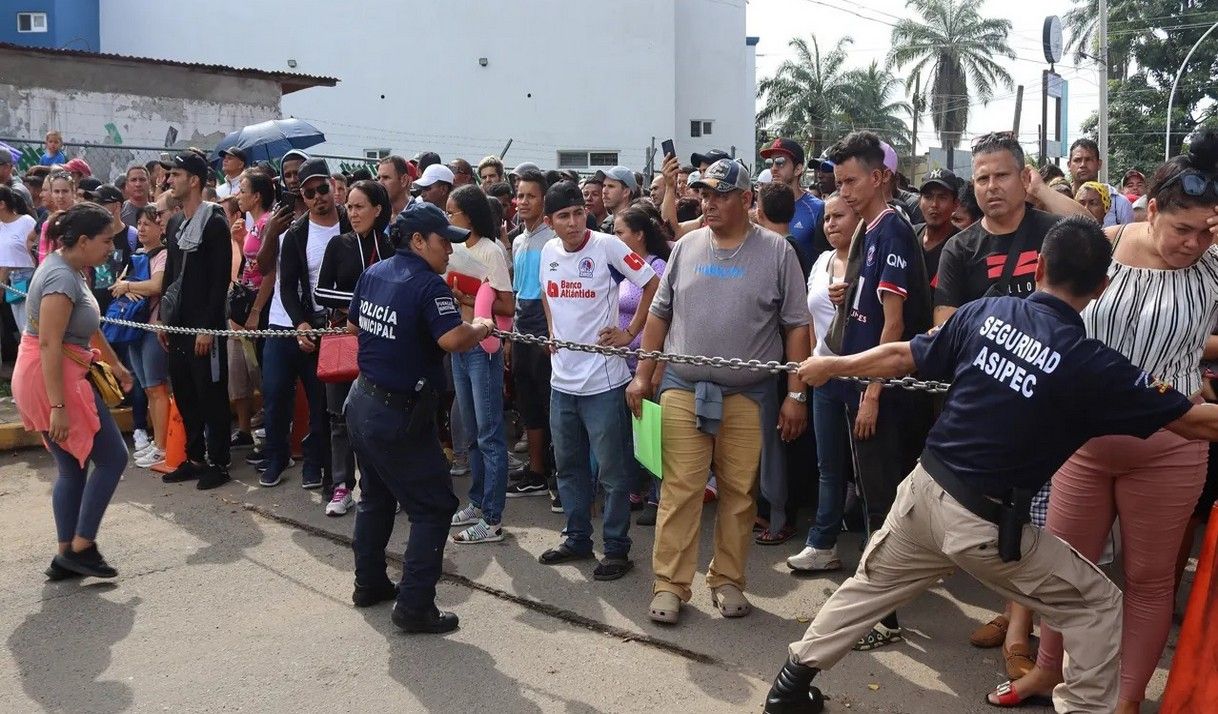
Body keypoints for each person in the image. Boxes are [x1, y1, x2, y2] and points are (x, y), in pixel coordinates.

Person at [762, 216, 1218, 714]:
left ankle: (788, 687)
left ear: (1039, 266)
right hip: (981, 522)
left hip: (922, 492)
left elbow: (901, 356)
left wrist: (832, 365)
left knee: (870, 588)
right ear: (1102, 288)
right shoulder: (1093, 365)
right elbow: (1196, 424)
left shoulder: (987, 311)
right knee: (1098, 603)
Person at [1009, 131, 1218, 713]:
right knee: (1063, 572)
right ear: (1151, 211)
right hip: (1083, 444)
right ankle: (1050, 670)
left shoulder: (1214, 266)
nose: (1193, 243)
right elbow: (1069, 230)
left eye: (1207, 230)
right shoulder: (1100, 248)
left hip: (1171, 448)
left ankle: (1126, 700)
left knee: (1148, 582)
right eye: (1182, 229)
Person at [628, 158, 809, 624]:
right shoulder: (686, 246)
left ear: (747, 199)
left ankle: (728, 580)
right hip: (683, 386)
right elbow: (659, 316)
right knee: (680, 489)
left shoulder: (777, 252)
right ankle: (670, 585)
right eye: (704, 194)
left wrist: (796, 393)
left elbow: (796, 326)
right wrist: (643, 375)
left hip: (749, 394)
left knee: (739, 492)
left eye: (720, 194)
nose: (708, 202)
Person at [934, 133, 1089, 671]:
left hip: (1052, 404)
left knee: (1040, 520)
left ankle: (1019, 631)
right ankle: (1013, 610)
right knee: (1000, 520)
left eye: (1002, 175)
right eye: (981, 178)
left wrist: (1045, 191)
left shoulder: (1052, 233)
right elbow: (943, 324)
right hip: (989, 406)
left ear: (1024, 178)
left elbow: (1092, 232)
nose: (991, 187)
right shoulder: (961, 248)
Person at [345, 201, 495, 634]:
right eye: (442, 241)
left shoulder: (375, 272)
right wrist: (482, 326)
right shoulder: (428, 285)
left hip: (365, 403)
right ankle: (414, 607)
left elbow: (355, 326)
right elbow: (452, 339)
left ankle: (369, 583)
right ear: (417, 241)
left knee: (376, 496)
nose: (449, 249)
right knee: (433, 506)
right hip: (399, 413)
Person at [826, 131, 933, 650]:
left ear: (879, 176)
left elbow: (894, 326)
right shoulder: (869, 231)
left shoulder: (891, 232)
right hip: (859, 387)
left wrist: (872, 393)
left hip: (882, 395)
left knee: (880, 504)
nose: (843, 191)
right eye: (839, 181)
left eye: (852, 180)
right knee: (877, 499)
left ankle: (885, 616)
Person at [536, 181, 658, 581]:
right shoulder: (549, 251)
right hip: (562, 382)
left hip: (604, 382)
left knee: (613, 472)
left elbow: (653, 285)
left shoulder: (607, 246)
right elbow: (546, 295)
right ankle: (577, 539)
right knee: (569, 467)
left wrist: (630, 333)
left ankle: (618, 548)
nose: (574, 223)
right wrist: (553, 330)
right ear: (549, 221)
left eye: (577, 213)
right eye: (563, 217)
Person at [13, 203, 134, 580]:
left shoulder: (71, 268)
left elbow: (83, 326)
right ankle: (82, 546)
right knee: (113, 458)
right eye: (105, 241)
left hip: (55, 372)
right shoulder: (62, 279)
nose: (111, 248)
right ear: (82, 241)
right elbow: (49, 343)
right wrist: (58, 406)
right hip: (54, 378)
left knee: (72, 467)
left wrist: (113, 363)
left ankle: (66, 552)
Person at [259, 158, 348, 489]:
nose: (317, 197)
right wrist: (300, 324)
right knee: (275, 396)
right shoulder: (295, 231)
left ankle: (319, 467)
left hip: (338, 329)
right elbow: (285, 283)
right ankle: (276, 458)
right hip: (294, 326)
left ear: (333, 187)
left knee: (323, 406)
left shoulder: (349, 224)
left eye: (322, 189)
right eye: (309, 193)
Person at [786, 192, 859, 574]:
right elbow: (809, 316)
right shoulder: (820, 261)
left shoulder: (871, 261)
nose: (830, 224)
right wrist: (813, 361)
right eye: (826, 218)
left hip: (863, 379)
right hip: (823, 376)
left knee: (869, 472)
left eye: (839, 216)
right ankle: (823, 542)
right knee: (828, 466)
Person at [314, 179, 394, 517]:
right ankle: (342, 486)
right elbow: (321, 293)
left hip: (382, 341)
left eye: (360, 206)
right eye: (349, 206)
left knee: (381, 416)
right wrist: (364, 301)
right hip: (343, 340)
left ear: (377, 210)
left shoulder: (391, 246)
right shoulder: (338, 245)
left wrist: (364, 305)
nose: (353, 212)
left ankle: (385, 486)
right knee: (339, 417)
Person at [443, 184, 515, 543]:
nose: (447, 218)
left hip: (483, 347)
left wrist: (467, 296)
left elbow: (507, 305)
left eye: (451, 212)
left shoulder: (492, 252)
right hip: (459, 343)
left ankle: (493, 517)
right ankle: (476, 500)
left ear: (468, 216)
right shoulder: (452, 246)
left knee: (489, 435)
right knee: (471, 432)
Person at [157, 151, 232, 490]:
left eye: (175, 174)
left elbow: (219, 282)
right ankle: (195, 457)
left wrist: (207, 327)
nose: (169, 180)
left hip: (205, 329)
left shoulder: (215, 222)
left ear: (194, 180)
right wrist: (163, 317)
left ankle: (219, 462)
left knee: (211, 394)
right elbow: (170, 274)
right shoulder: (174, 222)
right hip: (177, 326)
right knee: (185, 393)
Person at [612, 204, 671, 525]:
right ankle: (635, 488)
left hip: (648, 362)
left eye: (620, 232)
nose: (615, 238)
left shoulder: (657, 267)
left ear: (639, 235)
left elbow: (662, 316)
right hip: (622, 363)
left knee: (651, 430)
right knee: (630, 431)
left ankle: (656, 495)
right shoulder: (620, 268)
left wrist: (656, 364)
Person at [504, 169, 557, 499]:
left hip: (545, 326)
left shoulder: (553, 239)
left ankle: (552, 472)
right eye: (520, 195)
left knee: (550, 403)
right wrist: (510, 336)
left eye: (530, 196)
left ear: (544, 200)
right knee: (528, 403)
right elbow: (516, 291)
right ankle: (536, 469)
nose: (523, 202)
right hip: (521, 325)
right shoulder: (517, 239)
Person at [113, 205, 170, 469]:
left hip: (152, 329)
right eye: (141, 223)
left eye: (149, 223)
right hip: (133, 328)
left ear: (161, 227)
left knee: (157, 388)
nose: (143, 228)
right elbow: (117, 287)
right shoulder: (135, 255)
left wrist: (130, 287)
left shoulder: (164, 255)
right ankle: (157, 444)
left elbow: (156, 286)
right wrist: (129, 288)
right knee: (147, 388)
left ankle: (162, 447)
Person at [227, 170, 275, 450]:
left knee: (263, 371)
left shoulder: (269, 223)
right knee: (245, 369)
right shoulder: (253, 224)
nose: (238, 195)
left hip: (262, 306)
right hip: (246, 305)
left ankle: (274, 434)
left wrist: (256, 310)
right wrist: (240, 239)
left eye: (243, 190)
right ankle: (249, 431)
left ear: (257, 196)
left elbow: (270, 272)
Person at [760, 138, 826, 259]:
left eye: (780, 162)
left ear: (798, 169)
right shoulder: (763, 207)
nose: (773, 168)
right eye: (771, 162)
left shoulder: (817, 208)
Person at [1068, 138, 1134, 227]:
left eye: (1088, 159)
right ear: (1069, 165)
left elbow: (1127, 238)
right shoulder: (1060, 198)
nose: (1083, 165)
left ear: (1099, 164)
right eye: (1077, 160)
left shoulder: (1119, 203)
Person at [913, 169, 961, 284]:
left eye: (942, 197)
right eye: (928, 197)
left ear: (955, 204)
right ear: (919, 201)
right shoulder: (909, 236)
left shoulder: (962, 246)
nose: (934, 204)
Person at [0, 186, 37, 332]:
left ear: (2, 204)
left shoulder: (26, 221)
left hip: (28, 278)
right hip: (11, 280)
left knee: (31, 329)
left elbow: (36, 250)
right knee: (23, 330)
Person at [594, 166, 636, 233]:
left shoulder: (637, 224)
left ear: (626, 192)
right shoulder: (606, 224)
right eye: (604, 185)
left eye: (611, 186)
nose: (604, 191)